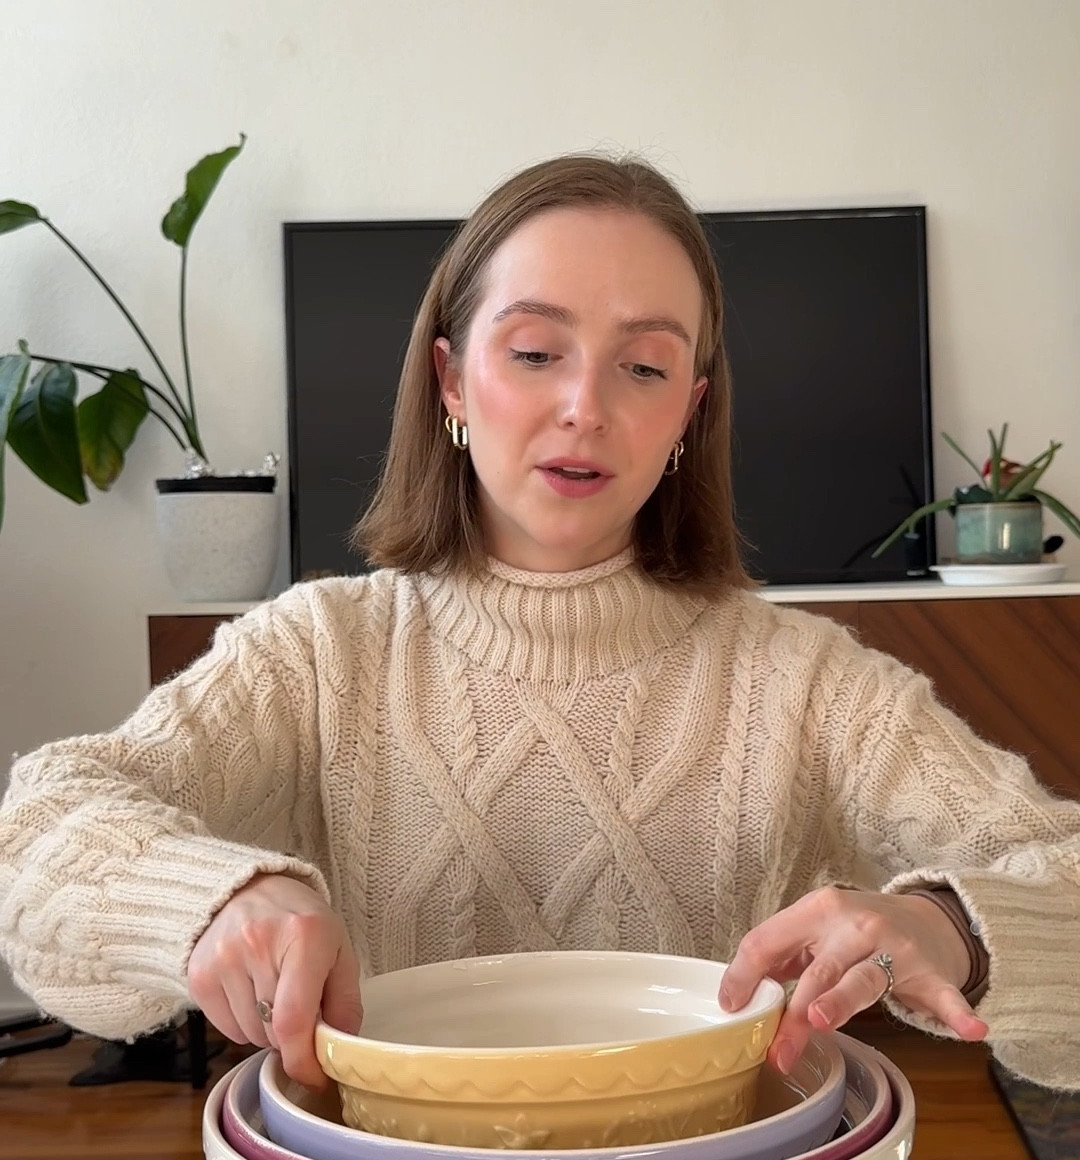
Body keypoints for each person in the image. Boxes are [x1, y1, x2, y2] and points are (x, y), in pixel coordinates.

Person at [1, 154, 1078, 1095]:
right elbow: (38, 827)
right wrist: (214, 901)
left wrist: (952, 928)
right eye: (533, 352)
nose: (585, 407)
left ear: (687, 418)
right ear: (451, 380)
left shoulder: (808, 684)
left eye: (645, 366)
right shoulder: (316, 653)